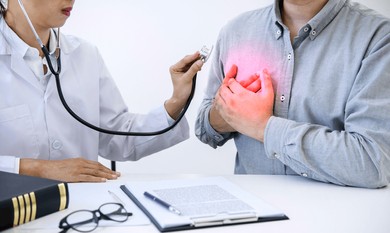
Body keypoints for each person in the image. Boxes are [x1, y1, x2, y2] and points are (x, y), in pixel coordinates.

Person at [0, 0, 204, 182]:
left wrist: (176, 101)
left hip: (82, 210)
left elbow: (115, 136)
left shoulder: (85, 54)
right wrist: (38, 169)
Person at [195, 0, 390, 188]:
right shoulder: (235, 31)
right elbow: (204, 130)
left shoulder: (378, 37)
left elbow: (372, 164)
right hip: (248, 213)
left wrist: (263, 127)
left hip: (333, 216)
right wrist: (227, 112)